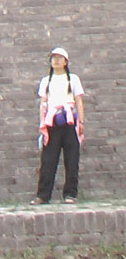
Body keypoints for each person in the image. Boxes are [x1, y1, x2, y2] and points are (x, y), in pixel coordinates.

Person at [31, 47, 85, 205]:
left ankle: (70, 194)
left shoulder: (73, 79)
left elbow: (79, 100)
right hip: (52, 122)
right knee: (48, 160)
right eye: (54, 58)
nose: (56, 60)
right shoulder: (46, 81)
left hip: (69, 122)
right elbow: (43, 103)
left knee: (72, 159)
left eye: (60, 58)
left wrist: (81, 122)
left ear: (66, 61)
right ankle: (43, 195)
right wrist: (42, 125)